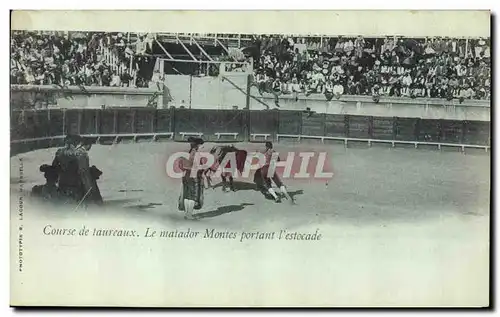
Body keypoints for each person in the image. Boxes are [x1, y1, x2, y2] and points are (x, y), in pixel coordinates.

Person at [52, 134, 85, 203]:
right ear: (75, 144)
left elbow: (54, 166)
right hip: (74, 183)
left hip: (62, 182)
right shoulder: (78, 154)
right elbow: (81, 170)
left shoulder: (59, 152)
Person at [178, 137, 205, 220]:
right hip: (194, 175)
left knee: (187, 195)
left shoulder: (189, 152)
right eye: (200, 145)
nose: (202, 147)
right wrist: (203, 167)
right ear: (197, 145)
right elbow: (196, 166)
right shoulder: (196, 154)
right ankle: (189, 214)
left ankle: (186, 214)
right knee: (193, 196)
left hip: (186, 174)